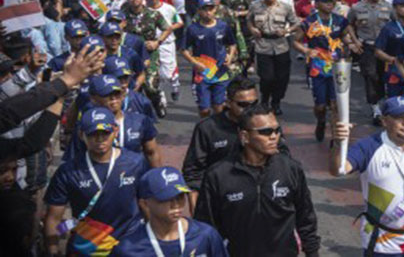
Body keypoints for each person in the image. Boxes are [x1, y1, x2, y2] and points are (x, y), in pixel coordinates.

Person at [330, 96, 404, 256]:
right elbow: (339, 169)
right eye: (399, 117)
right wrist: (339, 143)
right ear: (384, 121)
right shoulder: (369, 147)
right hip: (382, 240)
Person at [194, 104, 321, 256]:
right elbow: (206, 227)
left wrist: (313, 253)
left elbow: (305, 217)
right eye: (266, 132)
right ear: (244, 136)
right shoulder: (218, 175)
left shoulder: (290, 169)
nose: (274, 136)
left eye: (276, 130)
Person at [44, 108, 149, 256]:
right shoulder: (68, 171)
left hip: (129, 247)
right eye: (93, 134)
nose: (100, 139)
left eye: (105, 133)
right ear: (81, 135)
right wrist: (53, 250)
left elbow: (148, 204)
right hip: (87, 249)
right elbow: (54, 218)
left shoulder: (136, 162)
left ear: (115, 131)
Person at [109, 167, 228, 256]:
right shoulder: (127, 249)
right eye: (166, 198)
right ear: (145, 204)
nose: (176, 205)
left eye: (180, 197)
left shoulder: (206, 236)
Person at [182, 77, 259, 213]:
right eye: (243, 105)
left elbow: (281, 159)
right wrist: (197, 214)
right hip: (220, 202)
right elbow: (193, 173)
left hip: (256, 203)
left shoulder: (266, 125)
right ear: (228, 103)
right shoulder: (207, 128)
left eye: (254, 104)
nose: (249, 110)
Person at [293, 0, 351, 141]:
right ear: (317, 4)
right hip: (317, 67)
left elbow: (344, 36)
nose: (330, 4)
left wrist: (351, 44)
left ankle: (334, 134)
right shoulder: (309, 22)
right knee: (320, 106)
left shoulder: (339, 20)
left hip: (337, 66)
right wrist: (306, 50)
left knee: (335, 103)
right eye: (326, 2)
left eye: (332, 1)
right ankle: (321, 121)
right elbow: (295, 41)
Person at [247, 0, 300, 113]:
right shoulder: (255, 6)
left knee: (282, 77)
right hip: (263, 45)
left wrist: (286, 31)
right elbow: (249, 20)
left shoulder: (284, 7)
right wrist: (252, 29)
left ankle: (276, 101)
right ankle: (265, 99)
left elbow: (296, 23)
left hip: (281, 45)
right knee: (266, 77)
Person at [182, 0, 237, 117]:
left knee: (219, 107)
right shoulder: (193, 29)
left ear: (215, 9)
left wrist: (230, 56)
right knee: (204, 110)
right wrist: (194, 63)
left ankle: (218, 130)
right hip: (202, 74)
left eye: (210, 9)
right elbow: (184, 50)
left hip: (220, 72)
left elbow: (232, 44)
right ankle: (206, 129)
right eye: (204, 9)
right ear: (199, 11)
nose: (208, 12)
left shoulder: (223, 26)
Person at [346, 0, 392, 118]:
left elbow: (395, 24)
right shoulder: (357, 7)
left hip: (384, 48)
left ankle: (383, 100)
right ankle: (375, 106)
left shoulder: (388, 7)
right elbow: (348, 24)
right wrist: (354, 41)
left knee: (384, 76)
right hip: (367, 46)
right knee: (370, 75)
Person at [375, 0, 404, 102]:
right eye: (403, 6)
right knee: (395, 102)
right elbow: (377, 51)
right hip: (394, 72)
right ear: (395, 8)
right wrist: (392, 60)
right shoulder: (389, 28)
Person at [145, 0, 184, 102]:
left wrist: (168, 29)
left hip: (166, 43)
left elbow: (180, 22)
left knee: (166, 74)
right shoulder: (143, 9)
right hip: (149, 44)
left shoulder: (169, 8)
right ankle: (160, 95)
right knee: (152, 71)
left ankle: (175, 80)